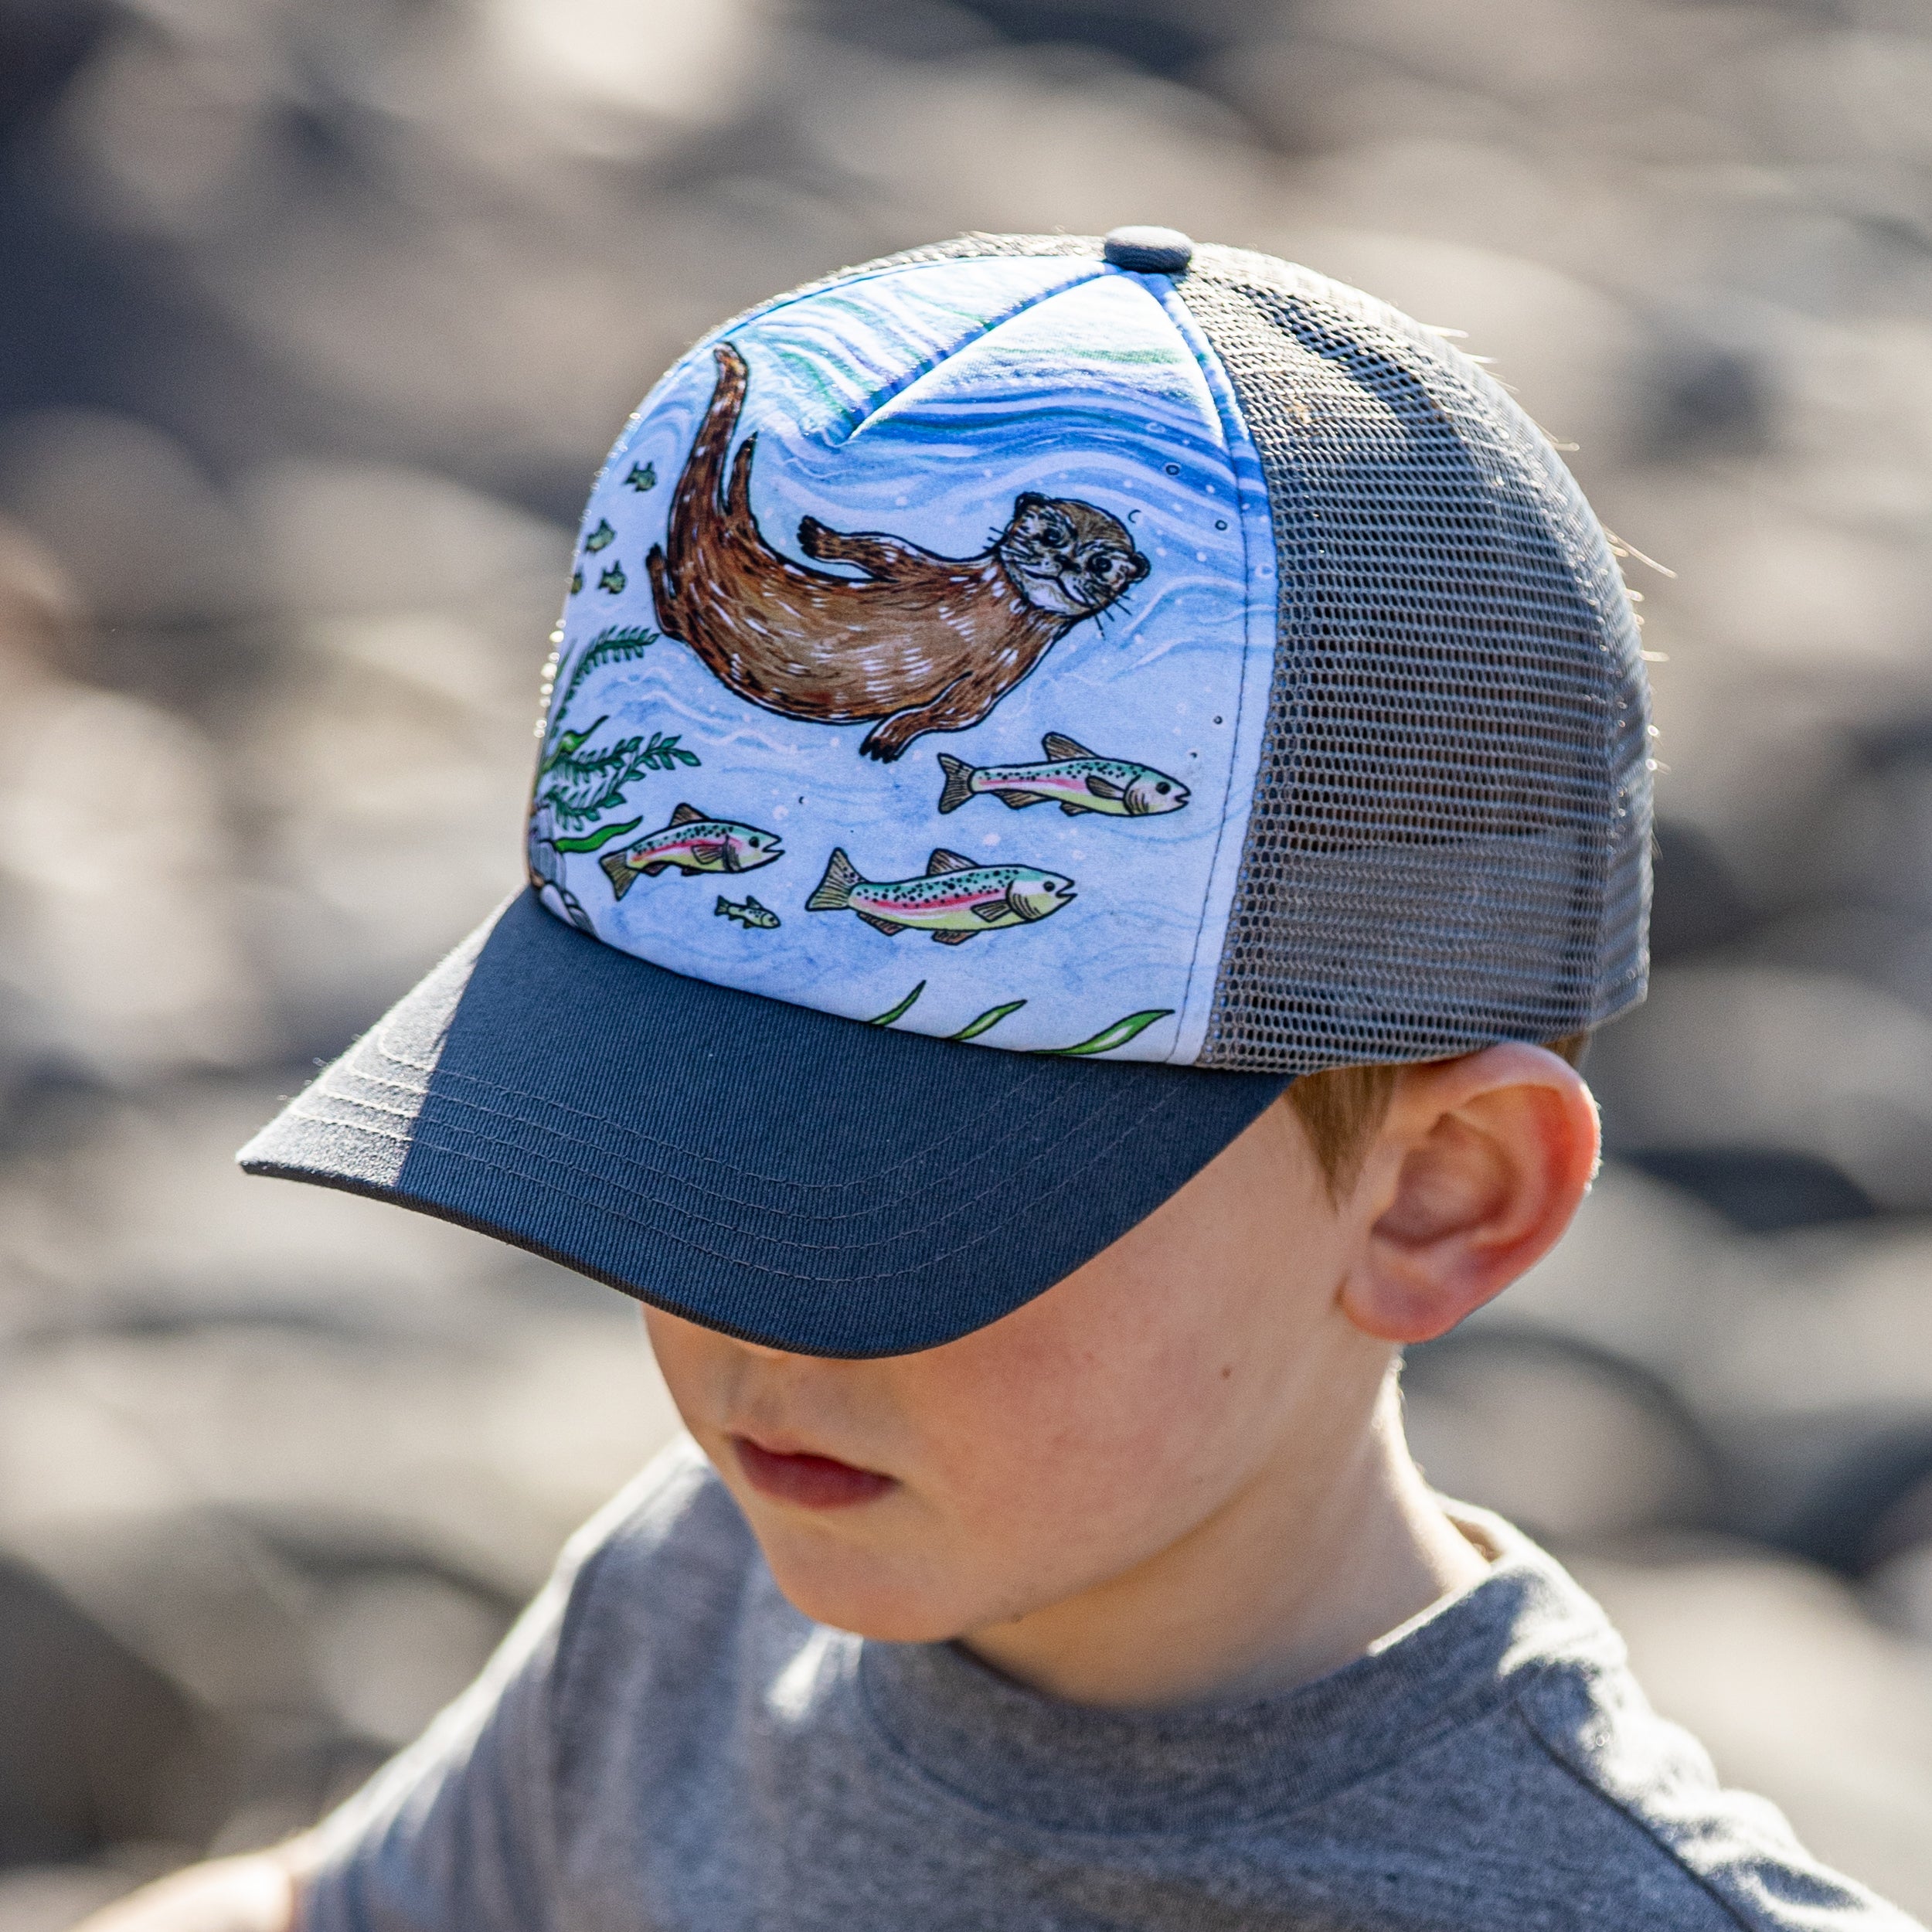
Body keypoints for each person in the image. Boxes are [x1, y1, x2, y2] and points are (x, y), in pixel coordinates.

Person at [82, 228, 1921, 1930]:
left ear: (1439, 1194)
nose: (742, 1328)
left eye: (891, 1213)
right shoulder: (693, 1599)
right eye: (673, 1152)